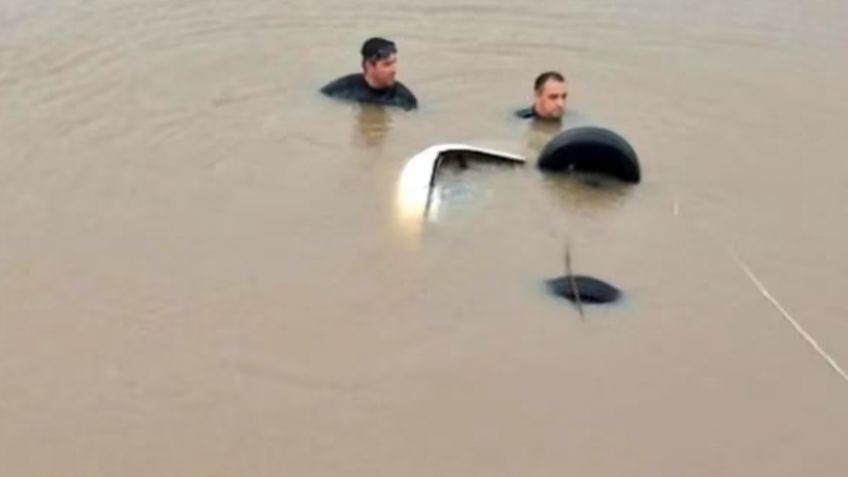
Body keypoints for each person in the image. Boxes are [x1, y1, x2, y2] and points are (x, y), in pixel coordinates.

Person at [320, 37, 418, 111]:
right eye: (387, 64)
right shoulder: (341, 89)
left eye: (394, 63)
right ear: (369, 66)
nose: (394, 70)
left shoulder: (405, 100)